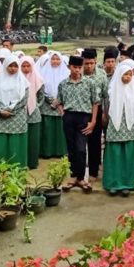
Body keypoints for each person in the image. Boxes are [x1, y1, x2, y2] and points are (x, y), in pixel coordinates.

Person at [56, 55, 100, 191]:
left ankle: (81, 178)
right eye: (74, 67)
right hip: (69, 117)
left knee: (81, 149)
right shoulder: (63, 84)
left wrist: (93, 122)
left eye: (79, 68)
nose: (77, 70)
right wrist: (63, 113)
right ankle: (73, 176)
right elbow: (59, 101)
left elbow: (95, 103)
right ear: (69, 67)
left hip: (83, 118)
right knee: (71, 148)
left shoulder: (89, 83)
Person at [103, 63, 134, 196]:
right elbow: (106, 108)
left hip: (130, 126)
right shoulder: (111, 90)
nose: (127, 77)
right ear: (119, 75)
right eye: (124, 74)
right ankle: (113, 183)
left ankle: (128, 183)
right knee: (115, 155)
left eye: (129, 74)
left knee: (129, 154)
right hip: (115, 126)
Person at [0, 56, 29, 167]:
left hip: (17, 117)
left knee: (16, 144)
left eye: (15, 66)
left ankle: (16, 171)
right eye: (10, 65)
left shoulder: (23, 82)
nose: (13, 68)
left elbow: (23, 100)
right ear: (5, 66)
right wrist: (0, 111)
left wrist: (9, 110)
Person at [82, 49, 107, 182]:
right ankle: (78, 172)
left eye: (91, 63)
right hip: (80, 113)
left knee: (95, 142)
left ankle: (93, 170)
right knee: (79, 143)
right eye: (86, 63)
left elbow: (105, 96)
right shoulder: (77, 73)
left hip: (97, 112)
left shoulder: (101, 75)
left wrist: (105, 114)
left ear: (96, 61)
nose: (89, 66)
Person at [39, 52, 69, 158]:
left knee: (60, 129)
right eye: (53, 59)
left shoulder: (67, 73)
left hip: (61, 105)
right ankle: (47, 152)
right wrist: (50, 99)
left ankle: (60, 151)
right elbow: (41, 88)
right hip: (47, 105)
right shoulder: (43, 73)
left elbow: (68, 89)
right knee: (47, 129)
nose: (55, 61)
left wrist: (58, 101)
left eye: (57, 59)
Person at [21, 57, 45, 170]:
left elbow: (41, 97)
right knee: (22, 139)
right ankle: (22, 161)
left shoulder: (38, 79)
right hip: (19, 114)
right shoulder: (17, 79)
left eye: (28, 66)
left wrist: (36, 106)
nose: (26, 68)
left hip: (34, 114)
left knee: (33, 140)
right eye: (23, 66)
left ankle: (32, 162)